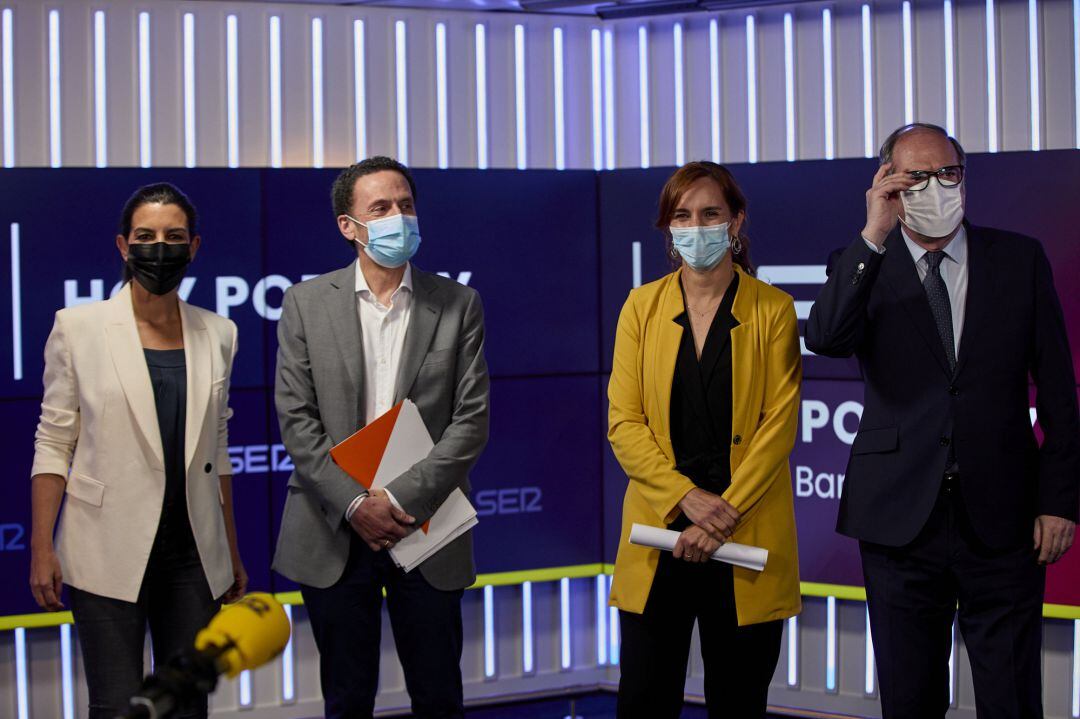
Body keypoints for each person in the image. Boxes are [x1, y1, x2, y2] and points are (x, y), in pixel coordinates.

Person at [806, 123, 1080, 718]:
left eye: (947, 173)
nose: (935, 187)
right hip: (898, 521)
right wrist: (873, 234)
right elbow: (825, 338)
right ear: (887, 184)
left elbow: (1060, 391)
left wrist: (1059, 501)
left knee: (1011, 697)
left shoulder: (1018, 259)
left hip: (1004, 521)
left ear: (964, 178)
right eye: (915, 177)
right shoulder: (859, 262)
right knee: (911, 700)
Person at [272, 156, 490, 719]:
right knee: (347, 698)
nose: (399, 217)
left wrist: (394, 501)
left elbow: (470, 421)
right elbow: (297, 420)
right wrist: (353, 503)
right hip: (332, 530)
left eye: (406, 205)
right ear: (349, 226)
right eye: (381, 208)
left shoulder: (457, 303)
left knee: (439, 694)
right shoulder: (305, 303)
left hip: (426, 524)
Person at [28, 183, 246, 719]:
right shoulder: (77, 327)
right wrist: (41, 547)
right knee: (117, 705)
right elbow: (54, 441)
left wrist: (232, 552)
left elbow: (216, 452)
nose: (159, 247)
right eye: (145, 236)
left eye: (174, 237)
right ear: (123, 246)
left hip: (193, 557)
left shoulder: (219, 332)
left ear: (194, 247)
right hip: (104, 551)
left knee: (187, 704)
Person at [607, 161, 802, 718]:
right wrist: (685, 501)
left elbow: (777, 427)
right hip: (657, 533)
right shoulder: (640, 307)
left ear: (736, 221)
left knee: (739, 703)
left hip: (743, 535)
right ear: (669, 228)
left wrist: (721, 514)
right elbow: (624, 422)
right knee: (644, 700)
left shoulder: (774, 309)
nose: (697, 227)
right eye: (683, 215)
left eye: (710, 213)